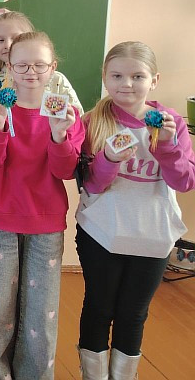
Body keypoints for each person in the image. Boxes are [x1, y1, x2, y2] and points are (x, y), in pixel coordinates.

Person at [75, 41, 195, 379]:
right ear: (105, 77)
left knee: (133, 314)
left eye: (137, 76)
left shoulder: (171, 122)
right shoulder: (93, 121)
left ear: (154, 80)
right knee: (98, 308)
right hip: (102, 232)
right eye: (117, 76)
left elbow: (184, 181)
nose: (126, 84)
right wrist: (109, 159)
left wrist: (168, 147)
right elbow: (91, 185)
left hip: (153, 236)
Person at [0, 31, 84, 380]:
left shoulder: (66, 113)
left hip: (46, 221)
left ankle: (35, 375)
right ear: (8, 66)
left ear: (53, 68)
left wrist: (58, 135)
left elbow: (65, 170)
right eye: (21, 65)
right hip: (0, 218)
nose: (31, 72)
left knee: (42, 312)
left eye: (39, 65)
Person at [0, 11, 82, 115]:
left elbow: (76, 118)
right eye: (0, 40)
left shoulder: (55, 80)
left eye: (16, 38)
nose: (7, 45)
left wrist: (64, 122)